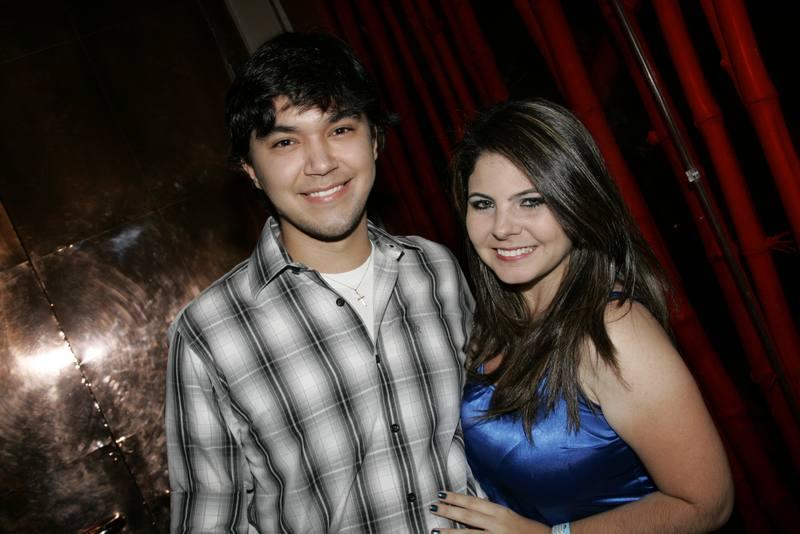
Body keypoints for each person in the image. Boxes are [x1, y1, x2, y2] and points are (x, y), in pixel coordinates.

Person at [165, 32, 479, 533]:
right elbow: (209, 518)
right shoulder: (208, 333)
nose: (321, 163)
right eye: (285, 142)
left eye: (340, 129)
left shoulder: (437, 269)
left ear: (375, 139)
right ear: (251, 169)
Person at [429, 99, 733, 533]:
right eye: (483, 204)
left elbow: (706, 503)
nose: (502, 227)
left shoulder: (615, 332)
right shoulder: (492, 322)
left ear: (577, 201)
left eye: (530, 201)